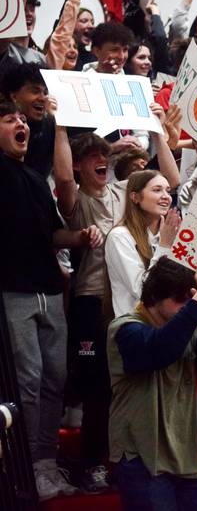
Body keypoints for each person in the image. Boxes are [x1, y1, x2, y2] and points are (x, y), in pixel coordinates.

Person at [52, 103, 180, 491]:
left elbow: (167, 181)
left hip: (126, 302)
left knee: (121, 383)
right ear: (78, 166)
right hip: (92, 300)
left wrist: (157, 130)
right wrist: (60, 127)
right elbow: (61, 176)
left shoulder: (122, 191)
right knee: (96, 386)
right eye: (91, 157)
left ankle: (120, 460)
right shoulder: (75, 200)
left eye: (104, 155)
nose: (100, 161)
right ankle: (91, 462)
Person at [0, 98, 100, 501]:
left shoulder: (34, 180)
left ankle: (45, 464)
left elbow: (53, 234)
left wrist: (78, 238)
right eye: (10, 119)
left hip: (49, 290)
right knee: (26, 381)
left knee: (54, 379)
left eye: (24, 119)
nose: (21, 123)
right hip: (12, 293)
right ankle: (22, 466)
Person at [107, 257, 197, 511]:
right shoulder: (125, 328)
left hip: (188, 456)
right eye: (181, 299)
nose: (188, 305)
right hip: (141, 456)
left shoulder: (189, 327)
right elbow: (159, 349)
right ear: (155, 296)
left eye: (191, 298)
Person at [105, 170, 181, 317]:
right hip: (136, 328)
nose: (166, 196)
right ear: (135, 197)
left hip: (168, 326)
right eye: (157, 190)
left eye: (168, 190)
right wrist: (164, 246)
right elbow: (142, 290)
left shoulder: (170, 235)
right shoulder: (119, 236)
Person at [0, 63, 55, 178]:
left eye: (45, 92)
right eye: (35, 91)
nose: (43, 98)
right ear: (14, 97)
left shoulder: (51, 125)